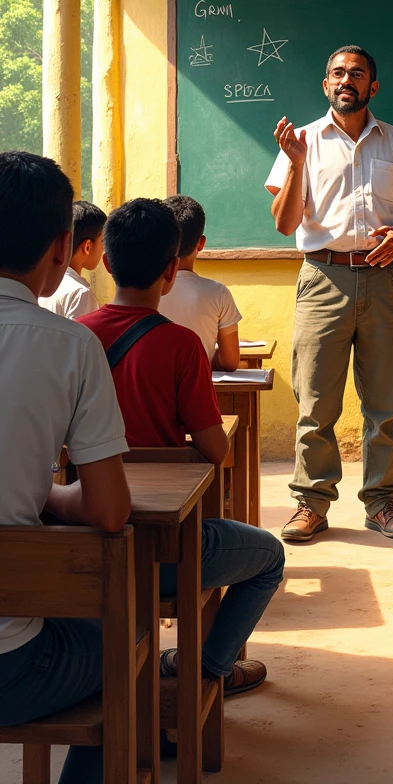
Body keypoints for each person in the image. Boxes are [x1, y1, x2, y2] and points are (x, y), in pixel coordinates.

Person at [79, 198, 284, 701]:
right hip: (164, 545)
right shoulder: (180, 346)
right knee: (270, 557)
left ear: (106, 262)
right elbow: (216, 450)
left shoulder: (77, 338)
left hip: (86, 539)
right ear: (172, 271)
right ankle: (206, 669)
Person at [265, 45, 393, 542]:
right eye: (338, 72)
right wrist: (296, 164)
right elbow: (283, 225)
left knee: (383, 401)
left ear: (372, 87)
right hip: (322, 278)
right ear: (326, 85)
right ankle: (312, 504)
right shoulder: (301, 142)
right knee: (315, 401)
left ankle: (383, 503)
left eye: (357, 73)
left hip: (383, 279)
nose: (347, 80)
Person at [0, 151, 131, 784]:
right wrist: (50, 495)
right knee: (122, 639)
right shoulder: (71, 344)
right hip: (11, 665)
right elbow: (108, 510)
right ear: (62, 247)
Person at [160, 194, 241, 370]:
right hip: (198, 390)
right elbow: (230, 361)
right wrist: (201, 359)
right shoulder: (218, 293)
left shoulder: (143, 290)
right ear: (201, 243)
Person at [38, 199, 106, 319]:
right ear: (87, 247)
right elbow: (80, 338)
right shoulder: (80, 294)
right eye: (102, 242)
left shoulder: (42, 286)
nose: (103, 249)